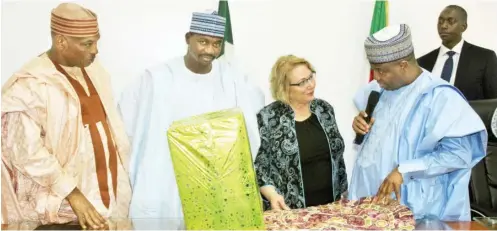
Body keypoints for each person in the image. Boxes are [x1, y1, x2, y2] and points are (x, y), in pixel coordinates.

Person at [117, 10, 264, 226]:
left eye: (216, 44)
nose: (210, 50)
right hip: (168, 178)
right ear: (188, 39)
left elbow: (250, 126)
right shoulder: (157, 78)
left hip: (216, 181)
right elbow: (127, 125)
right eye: (202, 42)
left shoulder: (233, 79)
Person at [1, 3, 131, 229]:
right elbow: (25, 153)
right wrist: (73, 194)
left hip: (102, 210)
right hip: (59, 215)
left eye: (96, 41)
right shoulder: (29, 86)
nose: (95, 50)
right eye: (88, 44)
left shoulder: (94, 71)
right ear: (61, 41)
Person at [349, 24, 487, 221]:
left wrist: (405, 169)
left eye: (381, 70)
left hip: (415, 209)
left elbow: (458, 155)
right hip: (369, 204)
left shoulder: (440, 97)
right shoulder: (377, 91)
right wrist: (360, 125)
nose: (376, 77)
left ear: (403, 65)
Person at [253, 55, 348, 211]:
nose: (310, 85)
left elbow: (338, 157)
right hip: (291, 213)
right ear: (284, 88)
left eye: (310, 77)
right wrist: (272, 196)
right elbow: (260, 168)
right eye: (302, 82)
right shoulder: (268, 118)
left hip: (332, 209)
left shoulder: (324, 109)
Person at [418, 5, 497, 100]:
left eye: (450, 21)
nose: (443, 26)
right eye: (440, 21)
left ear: (463, 27)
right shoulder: (422, 63)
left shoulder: (484, 58)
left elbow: (493, 102)